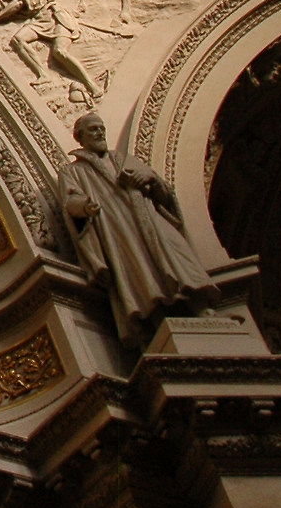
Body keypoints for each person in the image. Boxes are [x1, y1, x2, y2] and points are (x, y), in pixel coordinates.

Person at [61, 112, 219, 344]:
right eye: (93, 129)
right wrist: (85, 206)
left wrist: (149, 179)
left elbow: (164, 193)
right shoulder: (73, 171)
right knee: (139, 274)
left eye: (101, 127)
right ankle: (157, 322)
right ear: (80, 136)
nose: (100, 132)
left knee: (178, 255)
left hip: (150, 221)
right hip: (119, 230)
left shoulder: (125, 159)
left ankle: (198, 304)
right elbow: (70, 201)